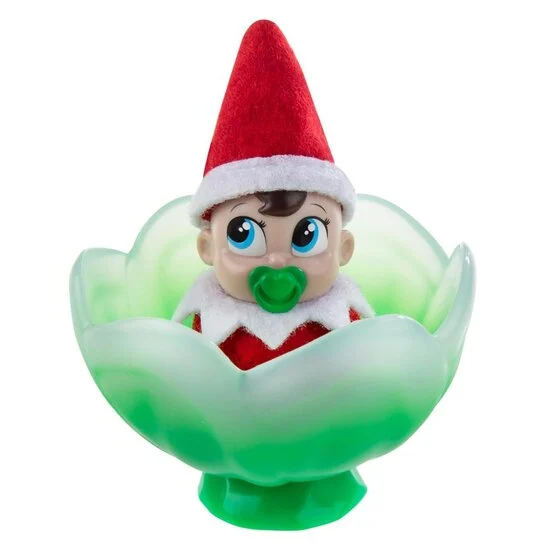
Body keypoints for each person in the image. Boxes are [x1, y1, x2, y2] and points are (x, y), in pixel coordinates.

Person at [172, 20, 373, 370]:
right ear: (207, 248)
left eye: (307, 235)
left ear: (343, 248)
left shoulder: (343, 315)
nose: (278, 261)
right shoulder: (211, 317)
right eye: (243, 235)